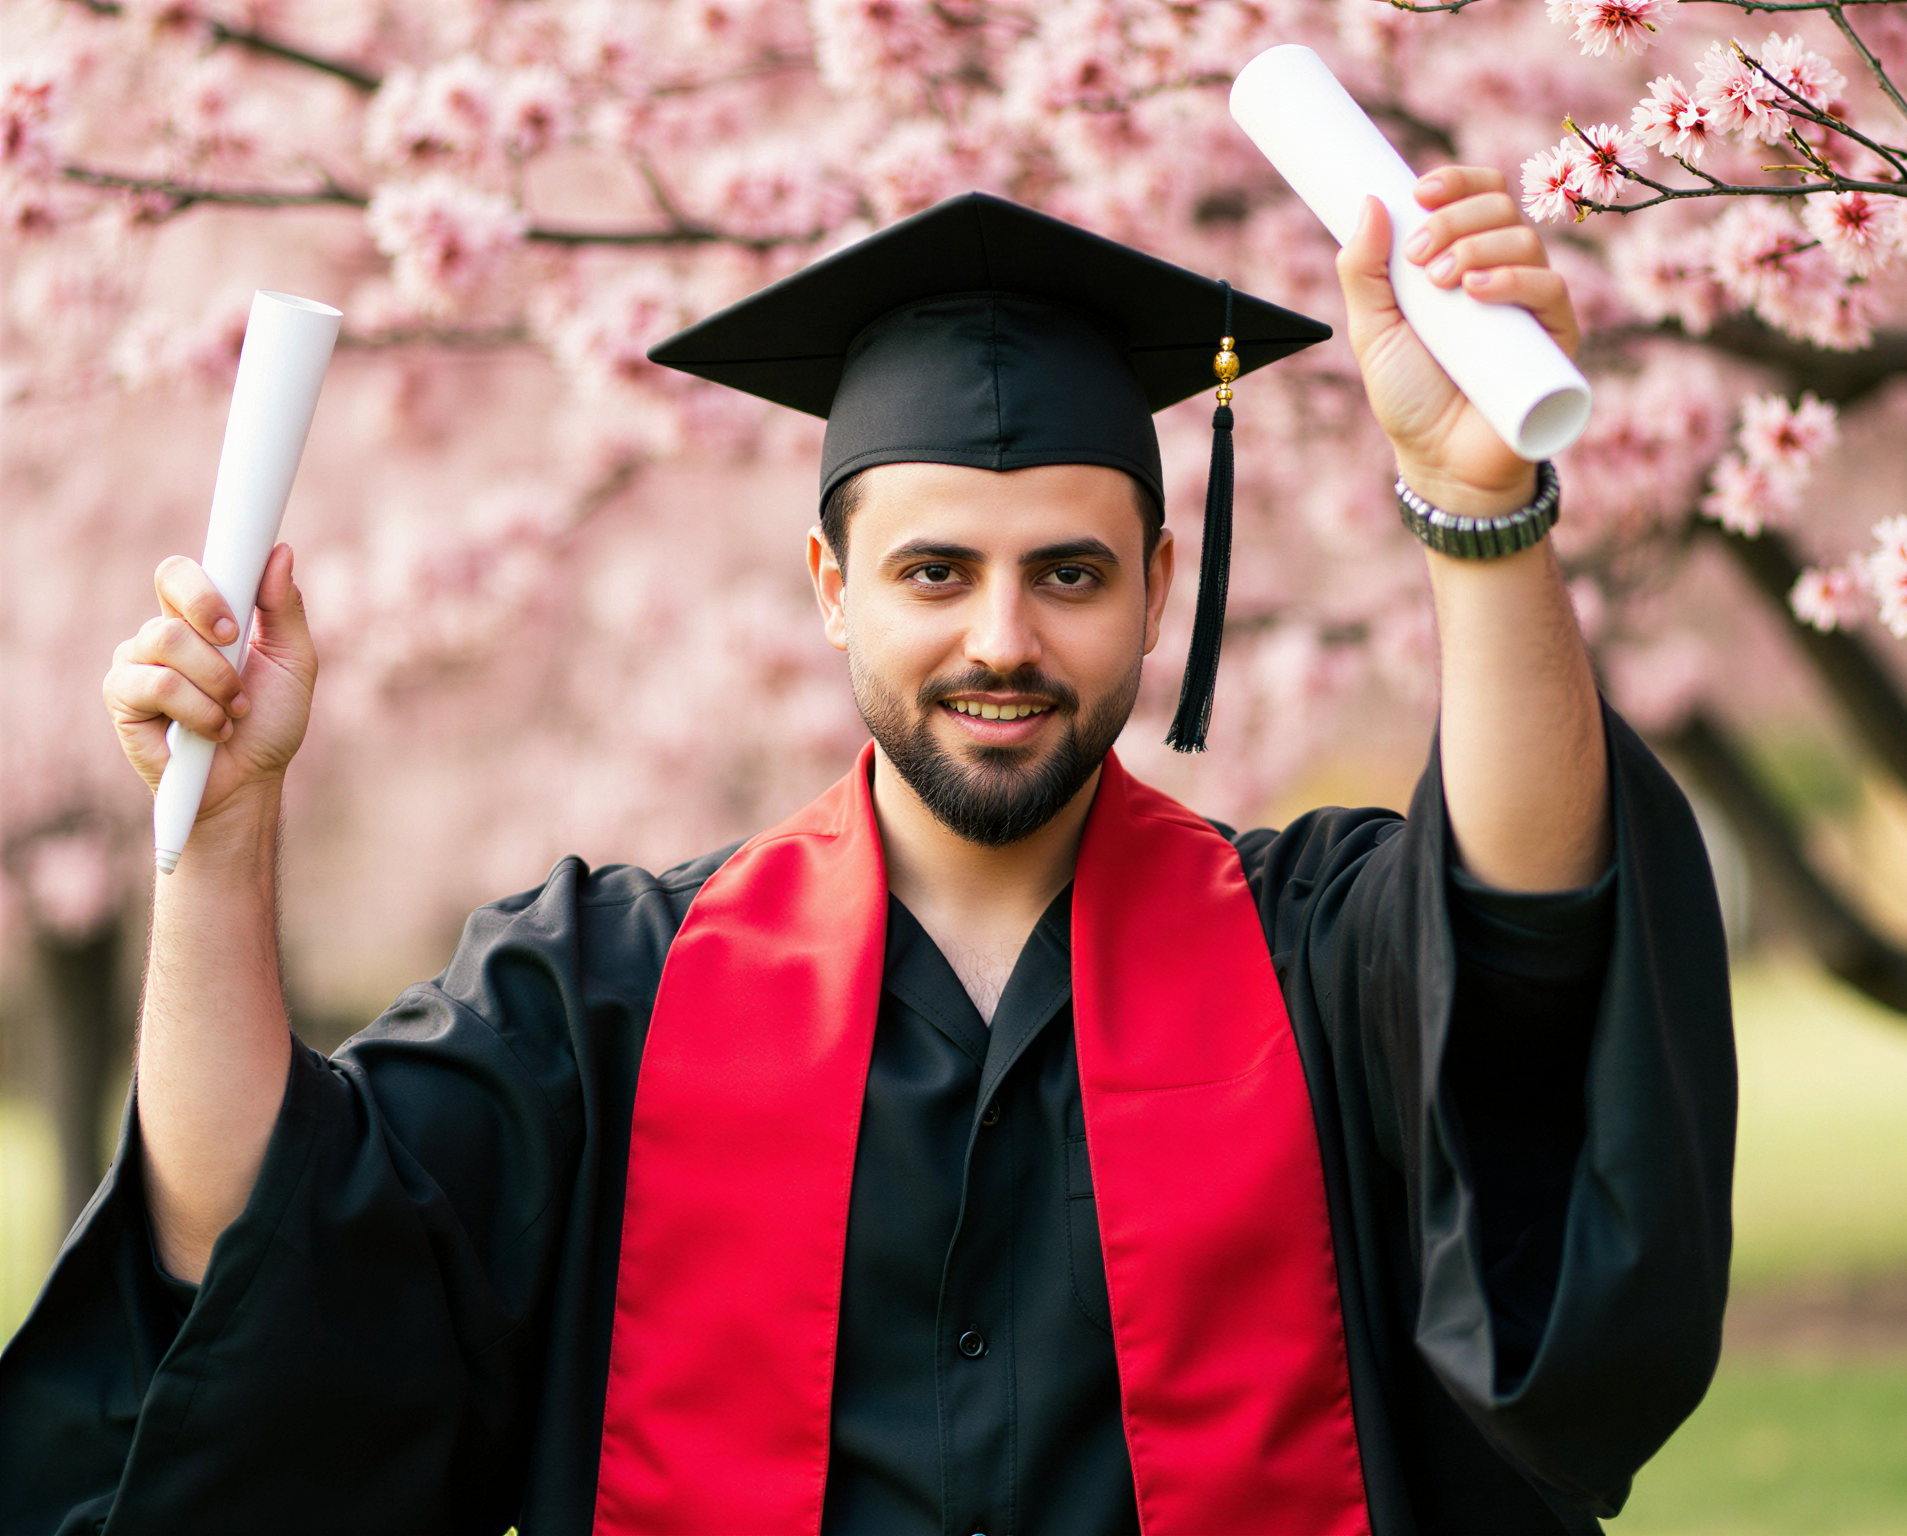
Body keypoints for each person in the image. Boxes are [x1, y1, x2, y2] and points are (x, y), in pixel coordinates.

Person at [1, 172, 1734, 1536]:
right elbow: (273, 1249)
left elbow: (1526, 937)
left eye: (1068, 572)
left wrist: (1486, 519)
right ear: (830, 592)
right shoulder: (604, 995)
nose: (1003, 637)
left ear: (1157, 591)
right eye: (933, 573)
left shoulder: (1315, 949)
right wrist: (218, 847)